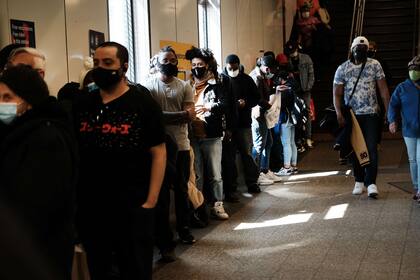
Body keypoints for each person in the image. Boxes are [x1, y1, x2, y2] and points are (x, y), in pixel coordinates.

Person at [74, 41, 166, 280]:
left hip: (132, 203)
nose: (100, 68)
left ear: (124, 67)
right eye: (96, 63)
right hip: (93, 205)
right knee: (99, 267)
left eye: (107, 63)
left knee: (134, 267)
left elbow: (158, 151)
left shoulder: (143, 104)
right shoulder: (84, 102)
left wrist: (151, 200)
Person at [0, 65, 78, 279]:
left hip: (38, 251)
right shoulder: (16, 132)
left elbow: (38, 203)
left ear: (29, 100)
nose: (2, 104)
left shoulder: (46, 138)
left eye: (8, 97)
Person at [145, 46, 196, 260]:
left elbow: (190, 116)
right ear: (157, 61)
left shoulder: (184, 86)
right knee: (162, 195)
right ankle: (164, 238)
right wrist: (179, 114)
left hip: (181, 145)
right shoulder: (148, 86)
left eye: (173, 60)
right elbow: (149, 117)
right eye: (165, 59)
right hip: (158, 148)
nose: (169, 63)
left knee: (182, 190)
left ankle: (184, 230)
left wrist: (161, 115)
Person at [333, 36, 390, 198]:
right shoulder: (343, 68)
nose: (360, 52)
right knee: (355, 149)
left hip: (371, 114)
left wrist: (388, 111)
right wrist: (338, 112)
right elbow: (337, 93)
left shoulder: (375, 65)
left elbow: (383, 90)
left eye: (364, 50)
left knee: (371, 147)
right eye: (358, 49)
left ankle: (371, 182)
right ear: (352, 50)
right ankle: (358, 180)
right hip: (352, 115)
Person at [185, 46, 230, 220]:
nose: (197, 67)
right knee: (197, 174)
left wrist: (208, 106)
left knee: (215, 173)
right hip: (192, 136)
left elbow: (225, 104)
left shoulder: (216, 86)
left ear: (207, 66)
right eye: (194, 64)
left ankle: (218, 204)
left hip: (211, 135)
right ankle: (199, 205)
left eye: (200, 64)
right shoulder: (187, 86)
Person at [221, 54, 261, 198]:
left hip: (244, 123)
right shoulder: (222, 80)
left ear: (238, 65)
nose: (232, 69)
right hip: (229, 125)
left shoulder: (246, 79)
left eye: (234, 67)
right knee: (229, 157)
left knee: (247, 153)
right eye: (229, 67)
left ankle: (252, 182)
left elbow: (256, 97)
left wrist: (246, 102)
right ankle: (231, 188)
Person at [388, 55, 420, 201]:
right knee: (412, 159)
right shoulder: (402, 88)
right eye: (411, 69)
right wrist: (392, 120)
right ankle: (416, 186)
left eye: (417, 69)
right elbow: (393, 105)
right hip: (409, 130)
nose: (414, 72)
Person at [249, 55, 282, 186]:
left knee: (268, 142)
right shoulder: (256, 78)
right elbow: (258, 99)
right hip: (257, 115)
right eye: (272, 70)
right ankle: (255, 174)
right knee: (259, 144)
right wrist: (270, 104)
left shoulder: (261, 76)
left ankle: (264, 169)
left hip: (263, 114)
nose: (272, 73)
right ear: (267, 68)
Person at [284, 40, 315, 149]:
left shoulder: (306, 58)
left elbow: (311, 74)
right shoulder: (287, 61)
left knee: (307, 112)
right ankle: (299, 138)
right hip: (294, 91)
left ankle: (308, 137)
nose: (292, 53)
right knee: (296, 113)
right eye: (290, 52)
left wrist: (308, 86)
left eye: (293, 51)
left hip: (305, 90)